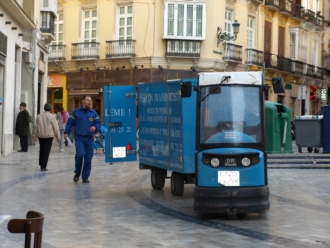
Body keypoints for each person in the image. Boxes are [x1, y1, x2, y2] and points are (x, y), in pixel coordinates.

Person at [64, 95, 102, 183]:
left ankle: (85, 177)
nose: (89, 102)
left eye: (90, 100)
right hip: (79, 138)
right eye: (88, 100)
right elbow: (70, 123)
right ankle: (77, 173)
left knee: (88, 157)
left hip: (89, 138)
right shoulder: (76, 112)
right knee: (80, 155)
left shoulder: (93, 113)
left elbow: (99, 123)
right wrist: (66, 132)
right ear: (83, 101)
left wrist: (95, 127)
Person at [34, 103, 61, 171]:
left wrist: (35, 135)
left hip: (41, 135)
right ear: (50, 109)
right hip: (49, 136)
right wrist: (58, 137)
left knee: (42, 149)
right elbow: (55, 127)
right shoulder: (52, 116)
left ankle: (41, 163)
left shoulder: (39, 116)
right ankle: (43, 166)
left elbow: (36, 126)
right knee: (46, 151)